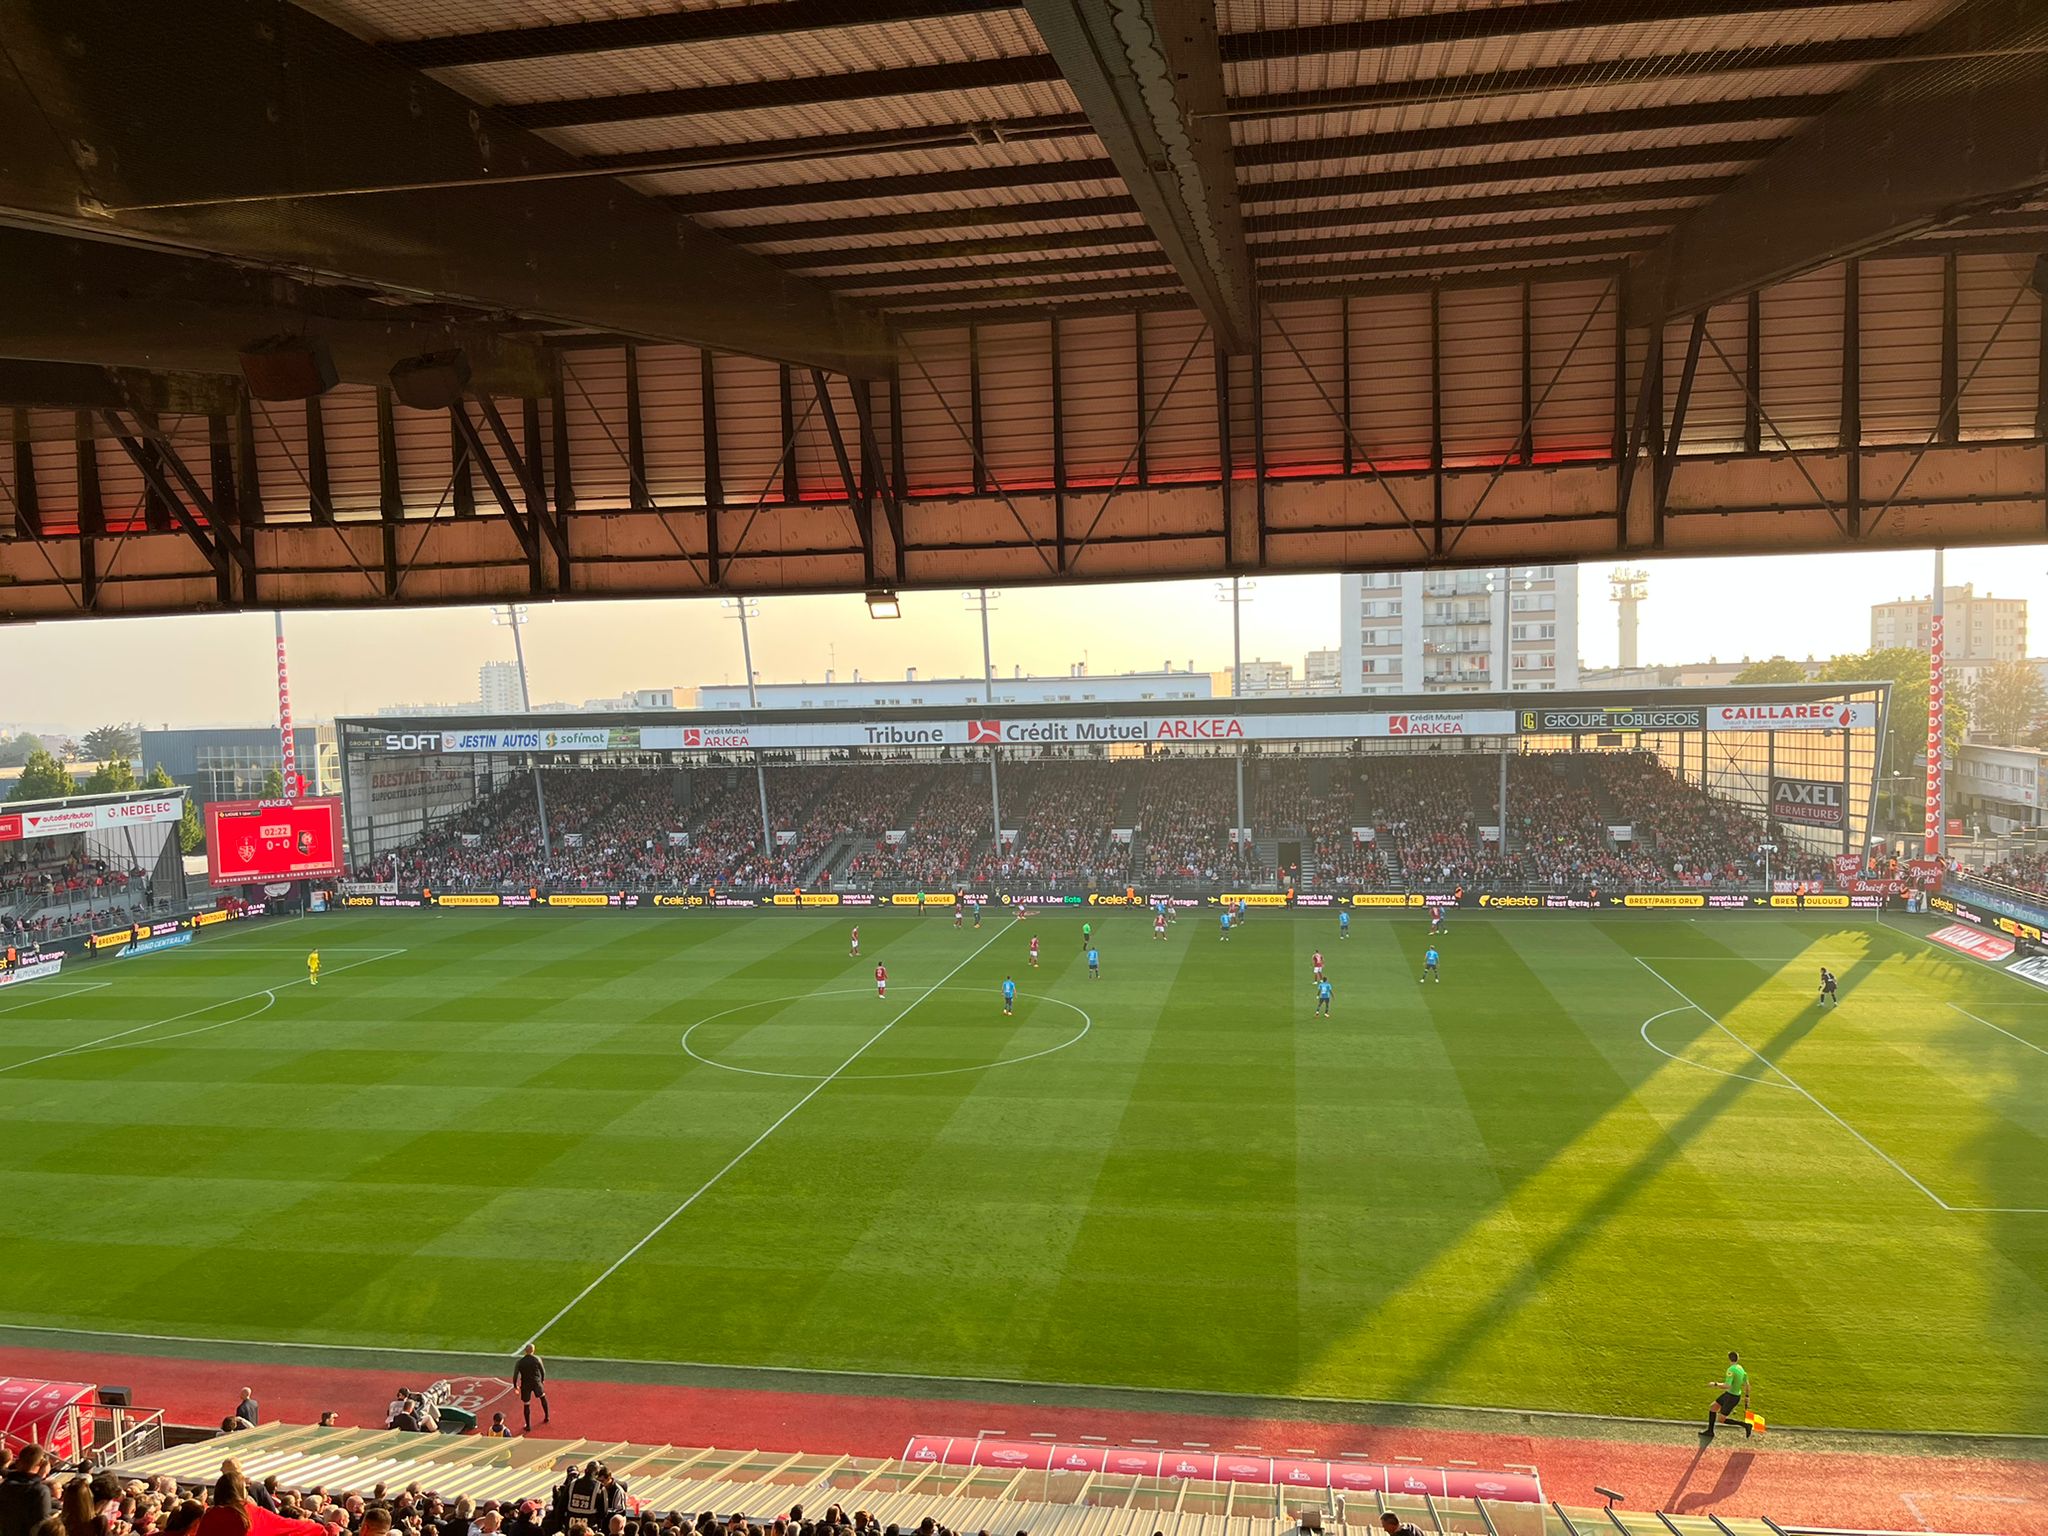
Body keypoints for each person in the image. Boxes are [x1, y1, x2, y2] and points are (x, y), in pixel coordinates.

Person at [1, 1445, 54, 1536]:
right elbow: (42, 1527)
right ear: (42, 1463)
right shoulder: (40, 1491)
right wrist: (40, 1476)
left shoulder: (4, 1485)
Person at [1704, 1351, 1752, 1440]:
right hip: (1730, 1394)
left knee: (1721, 1419)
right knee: (1713, 1407)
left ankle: (1746, 1425)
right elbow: (1747, 1384)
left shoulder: (1731, 1370)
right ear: (1738, 1359)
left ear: (1729, 1359)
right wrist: (1747, 1396)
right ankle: (1710, 1431)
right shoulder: (1740, 1368)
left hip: (1732, 1397)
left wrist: (1715, 1384)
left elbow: (1727, 1385)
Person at [514, 1344, 549, 1431]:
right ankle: (547, 1416)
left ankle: (528, 1425)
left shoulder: (520, 1362)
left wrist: (515, 1385)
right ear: (533, 1350)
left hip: (525, 1384)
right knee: (542, 1397)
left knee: (526, 1404)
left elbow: (515, 1375)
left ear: (525, 1351)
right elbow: (543, 1371)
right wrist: (542, 1380)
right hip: (536, 1382)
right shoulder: (537, 1359)